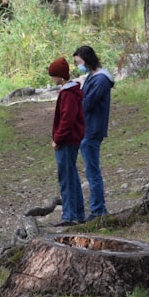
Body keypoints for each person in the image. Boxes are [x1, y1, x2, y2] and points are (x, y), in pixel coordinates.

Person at [73, 45, 115, 220]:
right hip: (87, 128)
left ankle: (98, 209)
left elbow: (87, 103)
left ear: (87, 59)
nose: (77, 66)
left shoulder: (100, 80)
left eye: (78, 62)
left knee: (93, 172)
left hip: (92, 129)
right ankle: (97, 208)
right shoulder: (92, 77)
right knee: (91, 171)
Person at [48, 56, 86, 227]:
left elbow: (66, 119)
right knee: (72, 176)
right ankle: (78, 214)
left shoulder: (68, 94)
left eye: (53, 75)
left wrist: (57, 139)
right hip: (71, 140)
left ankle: (69, 216)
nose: (51, 78)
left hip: (67, 141)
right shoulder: (69, 92)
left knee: (66, 178)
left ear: (60, 76)